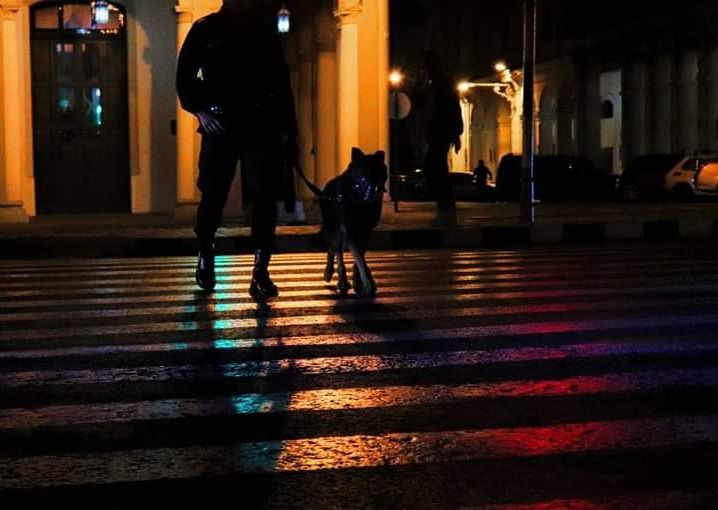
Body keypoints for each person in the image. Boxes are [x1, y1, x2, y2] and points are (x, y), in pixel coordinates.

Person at [176, 0, 297, 300]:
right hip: (222, 123)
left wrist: (288, 132)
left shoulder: (263, 31)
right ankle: (206, 254)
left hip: (261, 124)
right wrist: (201, 111)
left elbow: (281, 83)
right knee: (213, 194)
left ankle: (261, 271)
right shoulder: (205, 29)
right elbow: (185, 77)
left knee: (264, 197)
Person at [421, 49, 463, 225]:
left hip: (442, 130)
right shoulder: (433, 83)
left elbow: (453, 107)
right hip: (437, 131)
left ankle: (447, 210)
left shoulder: (444, 83)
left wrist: (455, 132)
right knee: (435, 169)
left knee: (436, 169)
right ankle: (445, 209)